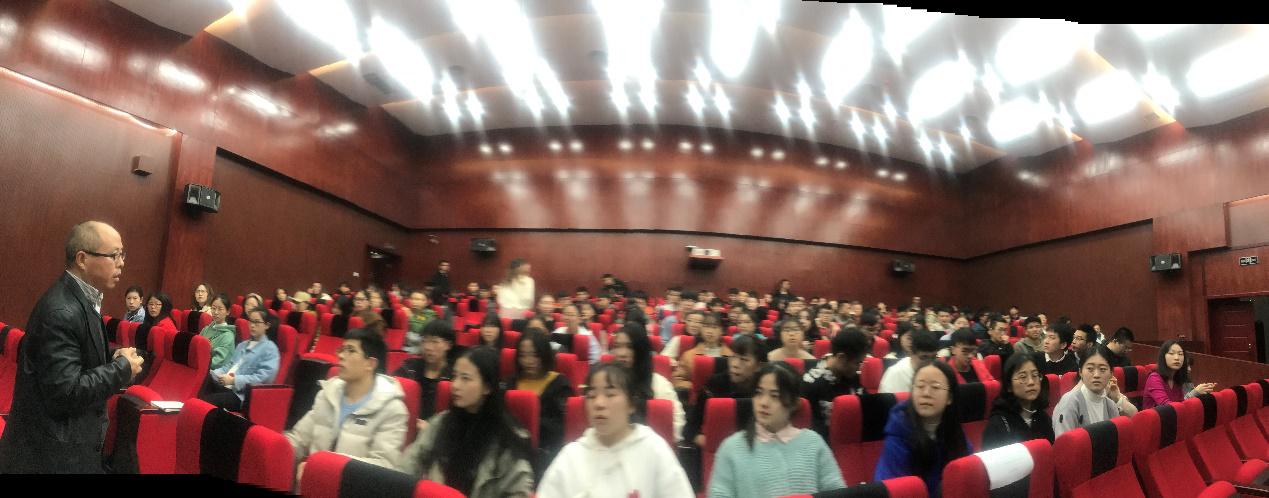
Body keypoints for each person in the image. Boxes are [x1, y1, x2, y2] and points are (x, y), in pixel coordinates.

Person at [0, 221, 144, 473]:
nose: (121, 262)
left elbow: (78, 356)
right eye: (114, 255)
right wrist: (121, 369)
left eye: (123, 254)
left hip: (65, 447)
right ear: (82, 259)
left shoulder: (80, 298)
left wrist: (113, 356)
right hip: (50, 456)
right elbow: (65, 392)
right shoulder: (61, 311)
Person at [539, 364, 693, 497]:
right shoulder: (571, 456)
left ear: (631, 404)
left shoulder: (653, 448)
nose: (599, 403)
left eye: (610, 394)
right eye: (591, 396)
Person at [400, 347, 535, 498]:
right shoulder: (441, 422)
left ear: (487, 387)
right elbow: (408, 465)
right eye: (454, 376)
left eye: (465, 378)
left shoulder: (508, 438)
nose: (455, 385)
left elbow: (518, 492)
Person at [709, 363, 846, 497]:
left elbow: (838, 492)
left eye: (775, 396)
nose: (763, 403)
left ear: (794, 403)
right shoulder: (732, 447)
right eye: (758, 393)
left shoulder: (813, 443)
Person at [288, 328, 408, 479]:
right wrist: (278, 451)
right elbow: (299, 439)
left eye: (350, 350)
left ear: (370, 363)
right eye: (342, 349)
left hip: (352, 487)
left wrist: (323, 467)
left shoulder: (392, 409)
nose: (341, 355)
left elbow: (384, 465)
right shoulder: (327, 394)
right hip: (312, 482)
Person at [874, 361, 973, 497]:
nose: (926, 393)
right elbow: (894, 490)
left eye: (935, 387)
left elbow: (967, 475)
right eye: (920, 386)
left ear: (949, 398)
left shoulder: (954, 430)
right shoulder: (898, 433)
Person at [685, 334, 765, 447]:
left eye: (744, 359)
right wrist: (709, 443)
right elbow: (689, 428)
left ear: (758, 366)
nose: (735, 364)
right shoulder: (715, 384)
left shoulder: (766, 390)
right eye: (733, 357)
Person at [610, 322, 685, 442]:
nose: (621, 353)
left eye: (629, 347)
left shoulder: (658, 384)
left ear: (641, 350)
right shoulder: (606, 381)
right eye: (617, 346)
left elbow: (676, 422)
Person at [202, 307, 280, 411]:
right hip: (226, 386)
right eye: (250, 321)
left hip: (242, 396)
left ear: (267, 325)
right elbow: (229, 366)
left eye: (257, 322)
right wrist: (213, 373)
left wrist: (234, 380)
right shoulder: (242, 345)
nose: (252, 325)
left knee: (206, 402)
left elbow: (263, 379)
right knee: (202, 382)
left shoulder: (270, 349)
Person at [512, 330, 574, 460]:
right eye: (523, 355)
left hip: (545, 450)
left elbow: (561, 427)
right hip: (512, 448)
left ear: (544, 354)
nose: (528, 361)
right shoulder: (511, 383)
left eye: (535, 355)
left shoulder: (559, 384)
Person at [1052, 346, 1139, 437]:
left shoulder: (1110, 405)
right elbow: (1064, 443)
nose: (1096, 375)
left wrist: (1117, 398)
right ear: (1080, 372)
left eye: (1102, 369)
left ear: (1111, 374)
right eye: (1090, 369)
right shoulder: (1069, 402)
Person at [803, 328, 869, 439]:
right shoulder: (812, 384)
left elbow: (866, 407)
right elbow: (814, 431)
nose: (859, 368)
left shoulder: (852, 375)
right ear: (841, 357)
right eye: (857, 363)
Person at [981, 354, 1054, 451]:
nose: (1031, 382)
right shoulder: (998, 424)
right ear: (1009, 386)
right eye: (1023, 377)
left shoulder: (1043, 417)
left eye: (1035, 375)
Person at [394, 320, 454, 422]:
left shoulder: (454, 376)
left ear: (448, 345)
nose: (427, 347)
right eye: (424, 341)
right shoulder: (409, 368)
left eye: (434, 342)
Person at [1143, 340, 1216, 409]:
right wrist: (1195, 392)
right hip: (1156, 418)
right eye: (1171, 353)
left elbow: (1181, 403)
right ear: (1163, 357)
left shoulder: (1177, 378)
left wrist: (1202, 392)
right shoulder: (1154, 378)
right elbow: (1167, 407)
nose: (1177, 358)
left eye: (1180, 354)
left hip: (1174, 416)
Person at [675, 312, 733, 391]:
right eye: (706, 327)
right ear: (701, 329)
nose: (709, 331)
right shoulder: (689, 355)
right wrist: (694, 387)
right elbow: (677, 379)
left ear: (722, 331)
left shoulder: (731, 356)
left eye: (714, 327)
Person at [200, 294, 237, 371]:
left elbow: (218, 362)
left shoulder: (228, 336)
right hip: (200, 366)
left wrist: (199, 364)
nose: (216, 312)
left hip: (212, 373)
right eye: (213, 308)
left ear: (228, 311)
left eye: (220, 309)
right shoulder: (206, 329)